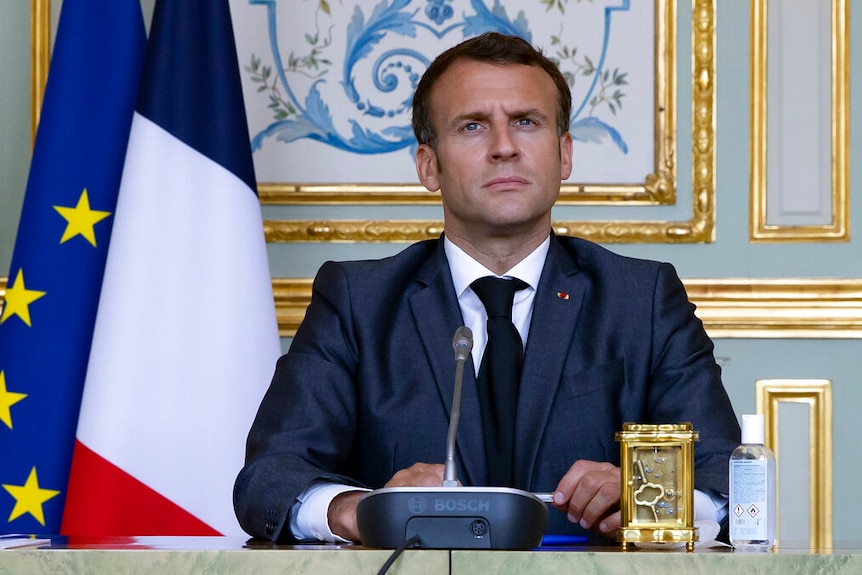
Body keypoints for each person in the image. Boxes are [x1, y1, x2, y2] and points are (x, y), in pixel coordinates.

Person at [233, 32, 740, 545]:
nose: (504, 147)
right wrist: (362, 511)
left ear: (564, 155)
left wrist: (648, 495)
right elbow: (269, 479)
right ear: (428, 165)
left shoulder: (642, 299)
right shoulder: (357, 301)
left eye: (526, 122)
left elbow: (722, 475)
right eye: (472, 126)